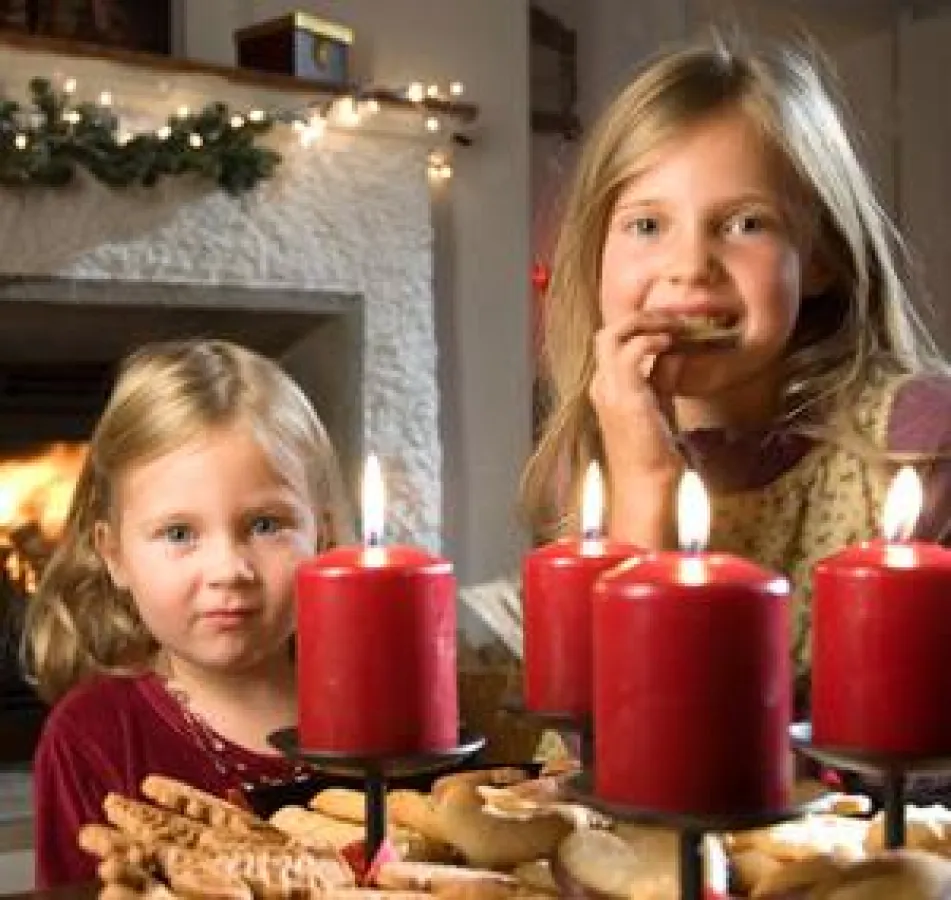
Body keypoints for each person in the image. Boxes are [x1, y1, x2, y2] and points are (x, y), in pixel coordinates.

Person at [520, 32, 951, 715]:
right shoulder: (593, 460)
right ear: (594, 253)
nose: (688, 265)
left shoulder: (920, 444)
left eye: (745, 222)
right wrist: (644, 482)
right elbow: (598, 733)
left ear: (819, 258)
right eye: (645, 225)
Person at [22, 339, 352, 887]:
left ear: (323, 533)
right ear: (115, 556)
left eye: (266, 525)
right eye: (179, 533)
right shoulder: (91, 738)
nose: (228, 569)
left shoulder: (387, 711)